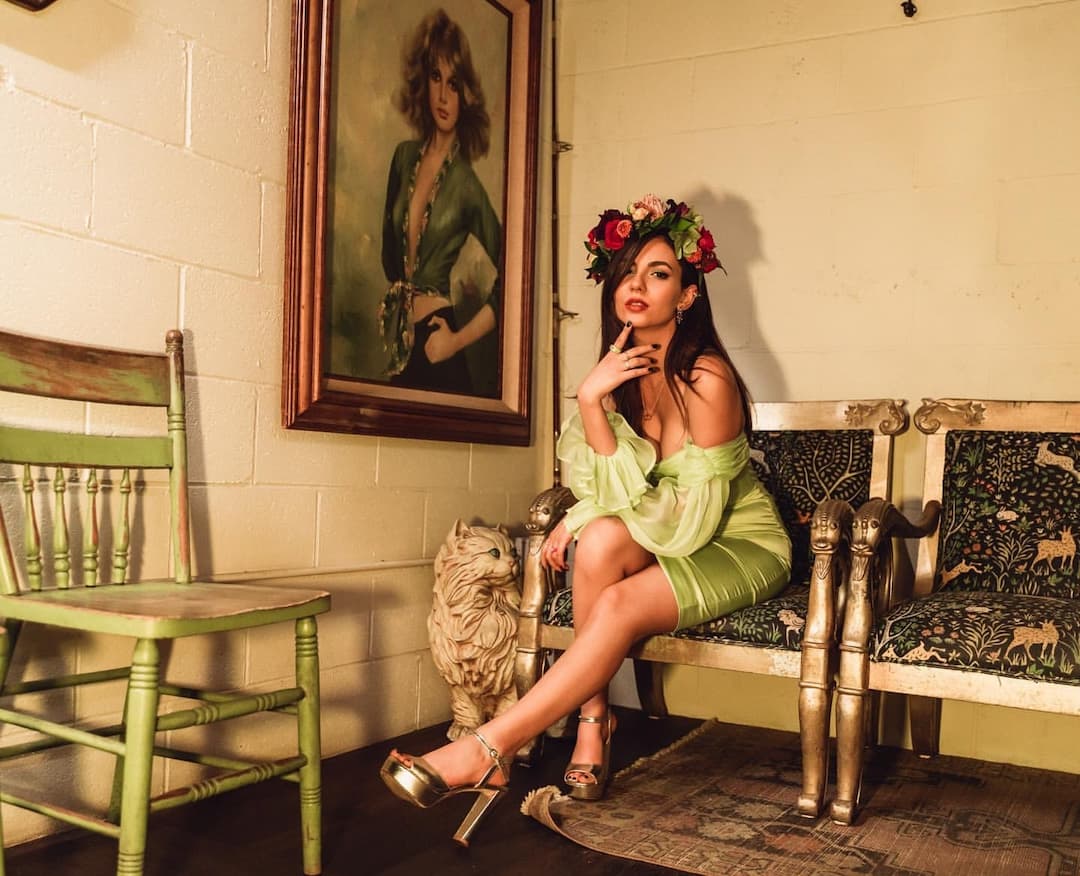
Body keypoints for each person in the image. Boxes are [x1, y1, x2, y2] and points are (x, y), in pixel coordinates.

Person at [380, 194, 792, 843]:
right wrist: (592, 404)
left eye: (658, 272)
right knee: (597, 543)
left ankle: (486, 748)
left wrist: (592, 507)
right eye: (628, 271)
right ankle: (594, 721)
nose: (636, 284)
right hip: (669, 525)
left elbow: (686, 524)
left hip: (732, 539)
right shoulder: (618, 372)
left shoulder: (707, 378)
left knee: (614, 584)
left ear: (687, 295)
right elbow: (616, 482)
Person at [378, 8, 503, 396]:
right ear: (424, 82)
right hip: (402, 341)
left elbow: (515, 282)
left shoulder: (466, 185)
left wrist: (457, 340)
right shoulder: (403, 158)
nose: (444, 96)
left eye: (454, 83)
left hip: (439, 340)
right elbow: (388, 254)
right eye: (436, 77)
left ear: (465, 95)